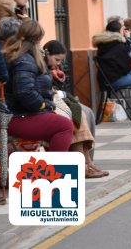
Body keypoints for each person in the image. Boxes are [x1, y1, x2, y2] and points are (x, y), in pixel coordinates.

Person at [0, 20, 73, 151]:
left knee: (64, 120)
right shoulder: (25, 59)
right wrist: (43, 104)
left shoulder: (21, 57)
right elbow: (24, 92)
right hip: (12, 117)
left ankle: (60, 166)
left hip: (13, 115)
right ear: (37, 41)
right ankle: (54, 169)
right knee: (64, 126)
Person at [43, 40, 109, 178]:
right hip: (48, 104)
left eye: (60, 60)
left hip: (58, 100)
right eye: (56, 59)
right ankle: (84, 164)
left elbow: (63, 90)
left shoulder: (56, 71)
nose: (58, 63)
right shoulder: (40, 67)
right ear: (47, 53)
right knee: (78, 113)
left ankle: (88, 161)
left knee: (88, 112)